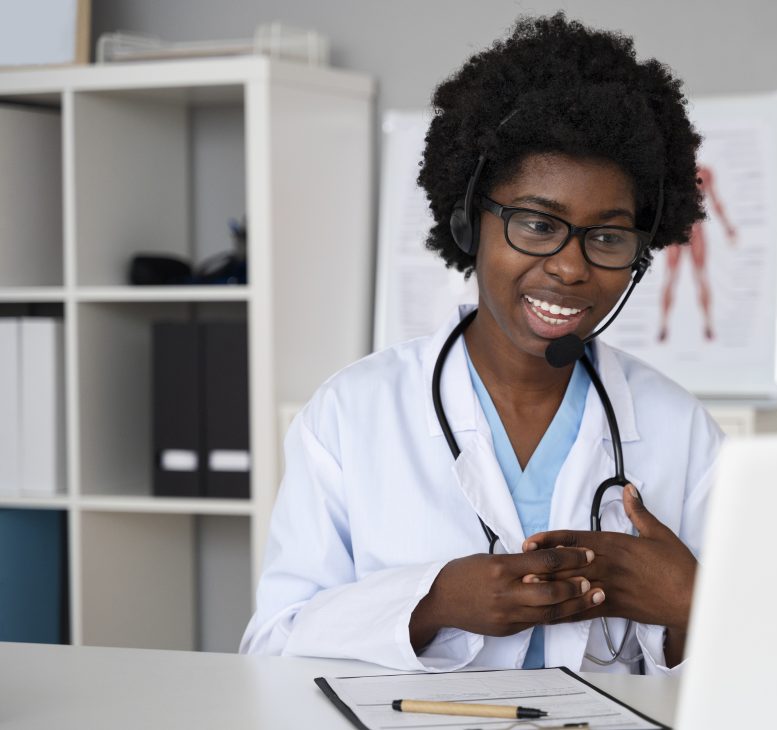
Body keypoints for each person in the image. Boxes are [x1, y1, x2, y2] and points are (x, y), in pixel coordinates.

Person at [240, 13, 725, 676]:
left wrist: (692, 605)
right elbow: (271, 648)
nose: (570, 267)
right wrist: (434, 601)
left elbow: (750, 682)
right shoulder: (351, 414)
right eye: (537, 224)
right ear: (469, 222)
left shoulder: (681, 430)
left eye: (608, 237)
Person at [657, 165, 738, 343]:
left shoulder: (705, 173)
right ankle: (663, 324)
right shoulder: (671, 171)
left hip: (695, 230)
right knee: (671, 276)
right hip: (676, 230)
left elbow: (715, 202)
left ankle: (708, 323)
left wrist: (728, 227)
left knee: (700, 276)